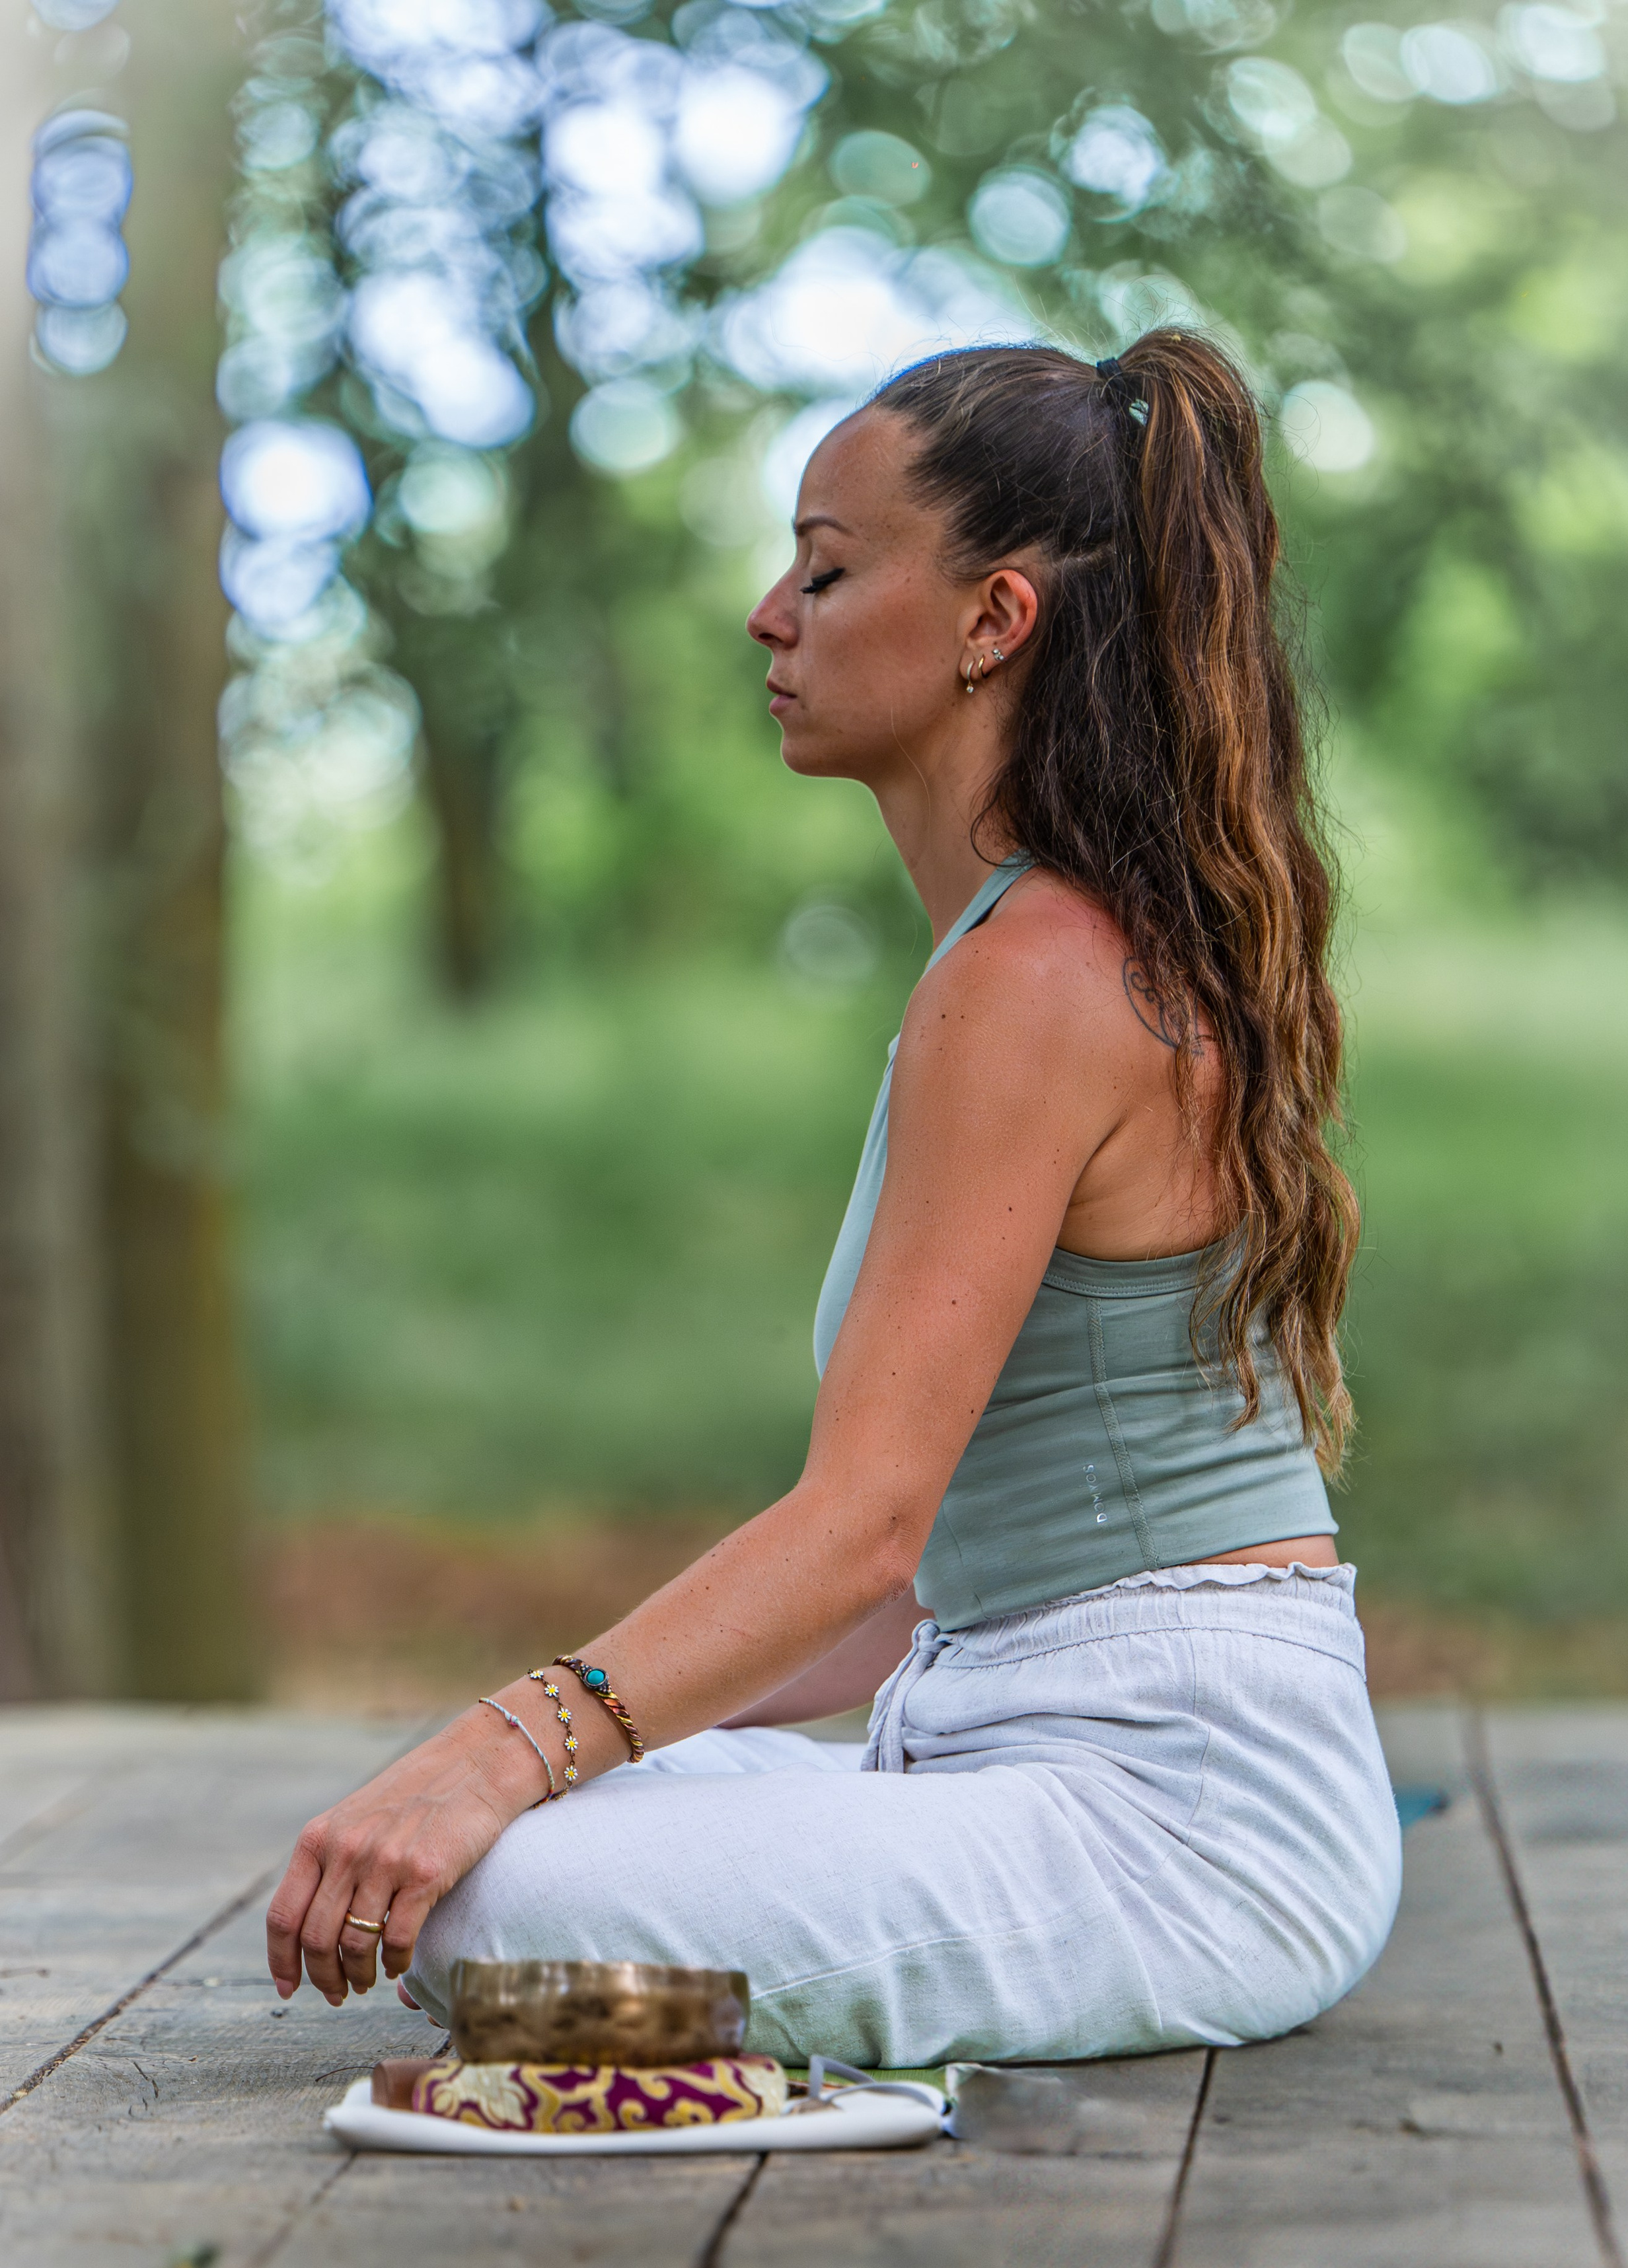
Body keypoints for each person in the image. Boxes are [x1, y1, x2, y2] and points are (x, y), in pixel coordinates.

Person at [266, 330, 1401, 2068]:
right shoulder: (1025, 951)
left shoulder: (1035, 977)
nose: (768, 614)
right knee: (490, 1853)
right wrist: (516, 1761)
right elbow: (917, 1574)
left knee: (503, 1913)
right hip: (1013, 1743)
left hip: (1188, 1822)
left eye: (827, 564)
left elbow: (862, 1524)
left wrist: (510, 1745)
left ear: (990, 621)